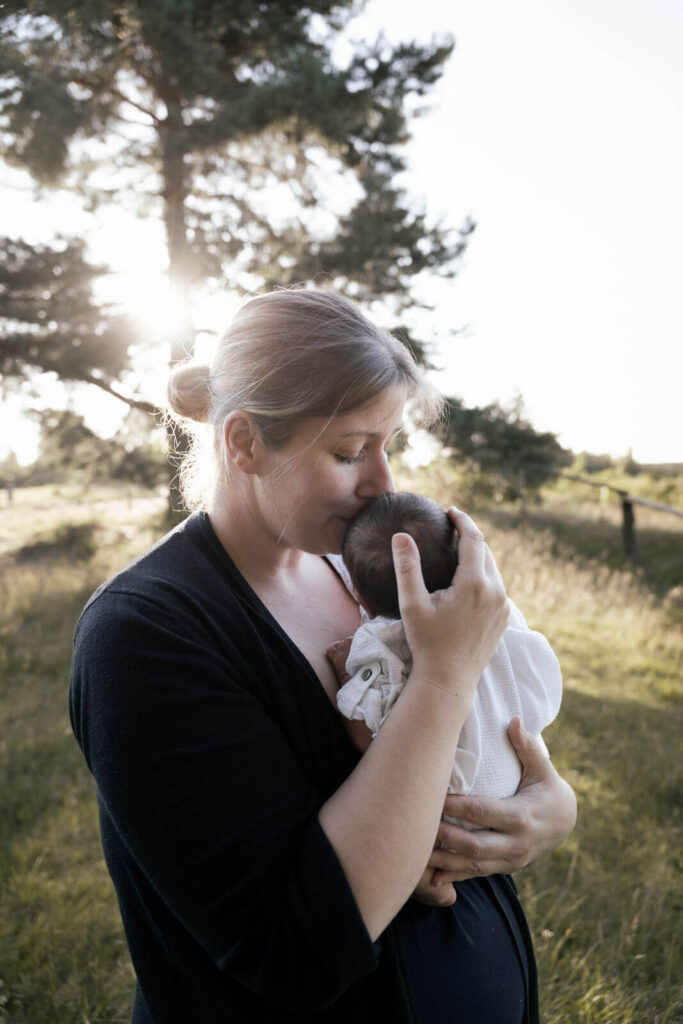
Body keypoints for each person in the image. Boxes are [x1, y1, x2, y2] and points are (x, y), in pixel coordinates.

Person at [69, 289, 576, 1024]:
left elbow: (481, 737)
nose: (383, 482)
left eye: (388, 445)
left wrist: (549, 810)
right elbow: (294, 948)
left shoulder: (359, 567)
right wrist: (445, 672)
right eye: (348, 452)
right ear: (244, 443)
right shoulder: (143, 635)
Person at [331, 491, 563, 844]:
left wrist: (346, 675)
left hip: (451, 811)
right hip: (515, 784)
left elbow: (370, 736)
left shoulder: (383, 642)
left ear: (362, 600)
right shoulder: (496, 612)